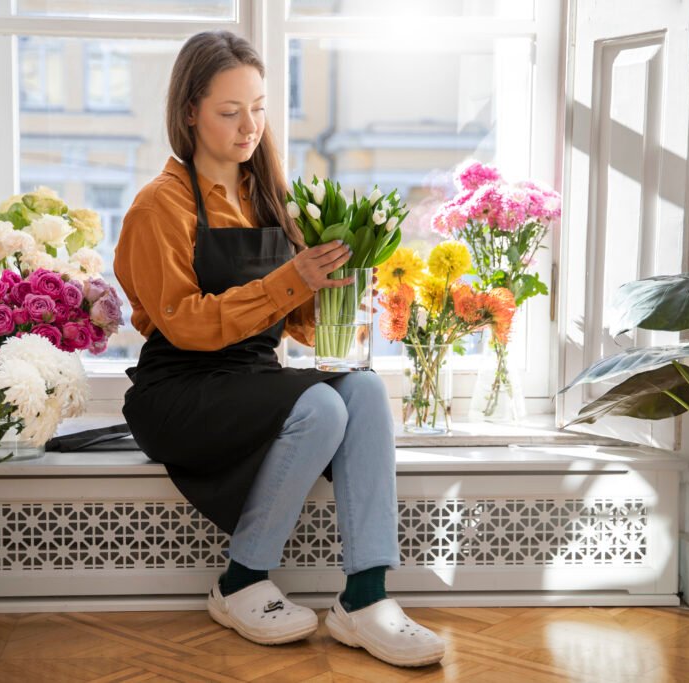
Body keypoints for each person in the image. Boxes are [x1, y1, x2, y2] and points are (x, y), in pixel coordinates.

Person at [113, 30, 445, 668]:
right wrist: (293, 277)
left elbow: (295, 321)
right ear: (190, 112)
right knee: (321, 405)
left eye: (259, 108)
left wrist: (336, 295)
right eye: (229, 111)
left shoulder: (268, 197)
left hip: (254, 380)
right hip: (179, 388)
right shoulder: (160, 206)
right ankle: (241, 580)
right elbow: (183, 324)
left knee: (365, 387)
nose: (248, 127)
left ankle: (367, 597)